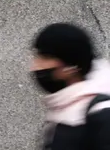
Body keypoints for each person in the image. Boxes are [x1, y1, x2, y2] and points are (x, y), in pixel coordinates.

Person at [31, 22, 110, 150]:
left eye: (45, 58)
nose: (36, 66)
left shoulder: (102, 113)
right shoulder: (62, 109)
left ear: (71, 67)